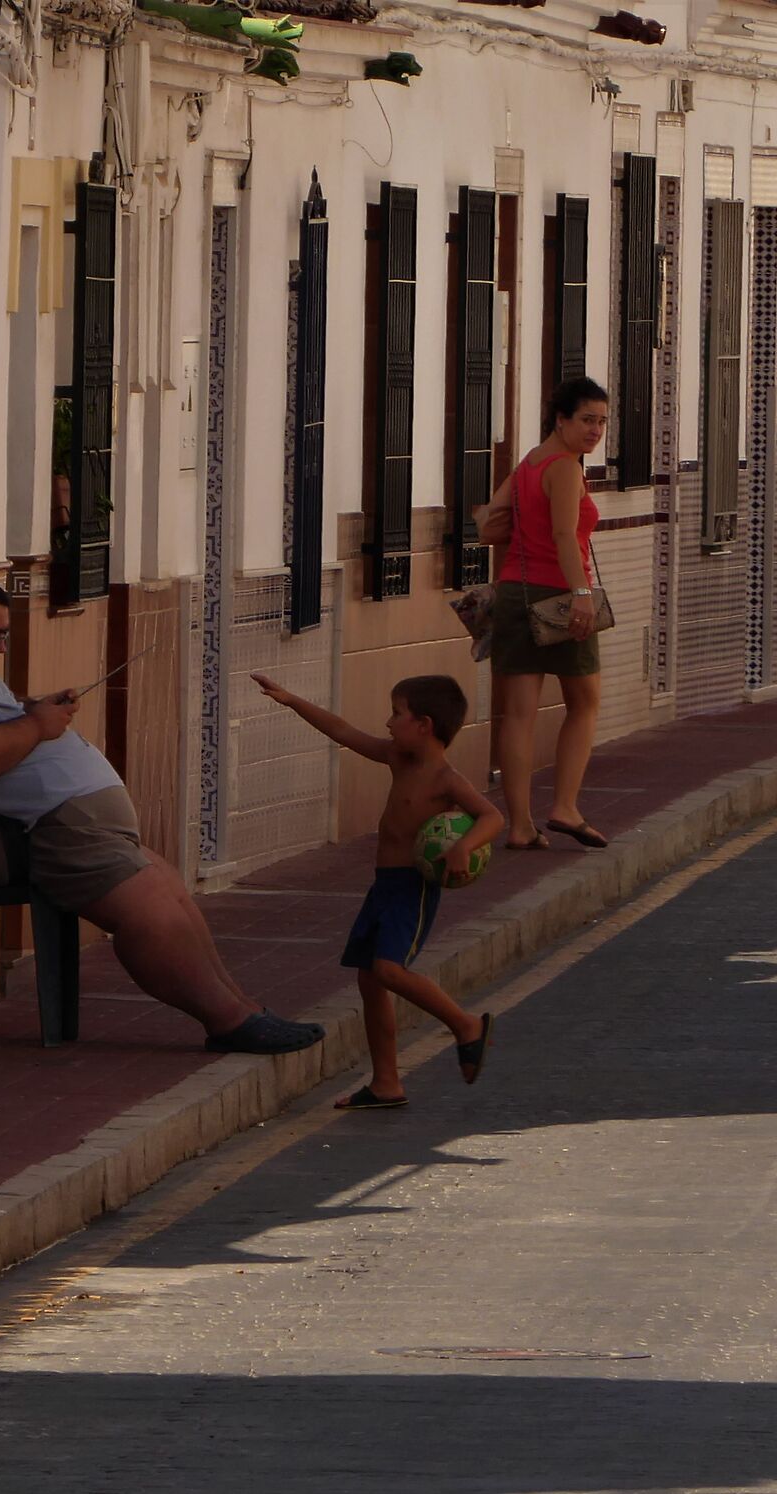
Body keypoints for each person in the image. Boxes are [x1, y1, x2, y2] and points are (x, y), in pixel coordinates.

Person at [0, 573, 323, 1056]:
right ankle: (228, 1020)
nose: (1, 648)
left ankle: (243, 1009)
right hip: (26, 829)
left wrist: (34, 709)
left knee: (168, 889)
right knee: (146, 910)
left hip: (60, 820)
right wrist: (36, 725)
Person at [251, 671, 501, 1111]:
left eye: (396, 713)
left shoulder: (446, 779)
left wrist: (464, 847)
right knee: (370, 981)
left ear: (423, 724)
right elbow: (343, 731)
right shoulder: (397, 758)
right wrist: (292, 700)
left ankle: (466, 1025)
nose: (388, 723)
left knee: (388, 970)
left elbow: (492, 817)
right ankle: (386, 1082)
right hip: (384, 885)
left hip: (412, 888)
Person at [478, 375, 612, 853]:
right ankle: (565, 807)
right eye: (587, 420)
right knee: (585, 703)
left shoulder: (529, 463)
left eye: (602, 422)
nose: (595, 431)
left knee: (518, 714)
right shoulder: (566, 469)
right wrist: (581, 594)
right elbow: (563, 537)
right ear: (561, 419)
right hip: (558, 595)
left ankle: (520, 826)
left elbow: (487, 522)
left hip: (514, 591)